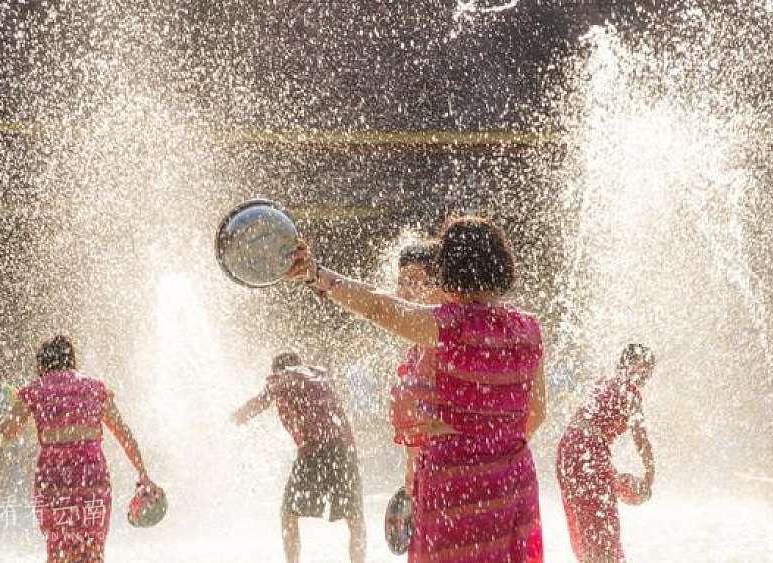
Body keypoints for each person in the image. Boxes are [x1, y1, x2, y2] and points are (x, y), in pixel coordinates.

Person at [287, 216, 547, 562]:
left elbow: (377, 306)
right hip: (513, 478)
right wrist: (498, 451)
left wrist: (316, 274)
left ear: (448, 269)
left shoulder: (450, 325)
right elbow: (538, 411)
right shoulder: (529, 329)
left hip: (454, 477)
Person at [0, 336, 160, 563]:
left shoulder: (35, 390)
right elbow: (124, 435)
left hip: (54, 479)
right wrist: (142, 473)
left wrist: (0, 414)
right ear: (71, 360)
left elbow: (7, 433)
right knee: (93, 551)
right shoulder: (94, 388)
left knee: (58, 549)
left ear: (42, 364)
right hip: (92, 478)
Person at [231, 352, 366, 563]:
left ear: (277, 370)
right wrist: (353, 455)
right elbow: (341, 419)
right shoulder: (319, 376)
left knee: (288, 514)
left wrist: (235, 418)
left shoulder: (283, 377)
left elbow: (261, 401)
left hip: (313, 453)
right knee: (355, 517)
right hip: (343, 450)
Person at [556, 344, 656, 563]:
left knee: (587, 522)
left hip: (568, 448)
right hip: (588, 451)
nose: (647, 377)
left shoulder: (604, 382)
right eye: (647, 369)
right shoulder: (629, 390)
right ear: (635, 366)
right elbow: (640, 436)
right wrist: (650, 474)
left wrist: (618, 482)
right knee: (602, 526)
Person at [390, 241, 446, 495]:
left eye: (414, 282)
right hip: (423, 483)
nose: (404, 291)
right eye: (401, 282)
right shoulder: (417, 350)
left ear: (440, 286)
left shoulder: (446, 342)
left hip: (445, 479)